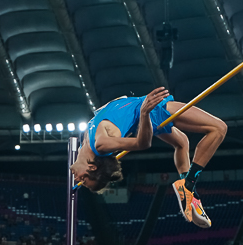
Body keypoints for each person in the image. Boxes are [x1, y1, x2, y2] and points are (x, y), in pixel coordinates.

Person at [71, 87, 228, 228]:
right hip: (150, 111)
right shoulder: (101, 144)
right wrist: (144, 112)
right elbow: (142, 143)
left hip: (143, 112)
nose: (78, 179)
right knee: (219, 128)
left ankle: (188, 191)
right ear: (91, 167)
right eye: (83, 180)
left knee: (182, 143)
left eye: (82, 181)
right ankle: (189, 185)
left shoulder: (83, 147)